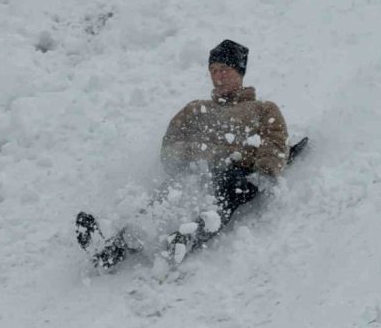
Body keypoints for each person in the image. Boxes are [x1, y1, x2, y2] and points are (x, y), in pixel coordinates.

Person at [76, 40, 291, 268]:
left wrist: (265, 171)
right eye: (213, 71)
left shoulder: (263, 109)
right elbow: (170, 144)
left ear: (239, 71)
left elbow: (276, 141)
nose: (218, 76)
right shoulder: (196, 109)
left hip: (236, 174)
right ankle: (113, 247)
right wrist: (193, 155)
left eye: (224, 70)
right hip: (194, 169)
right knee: (167, 194)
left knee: (226, 186)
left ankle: (189, 234)